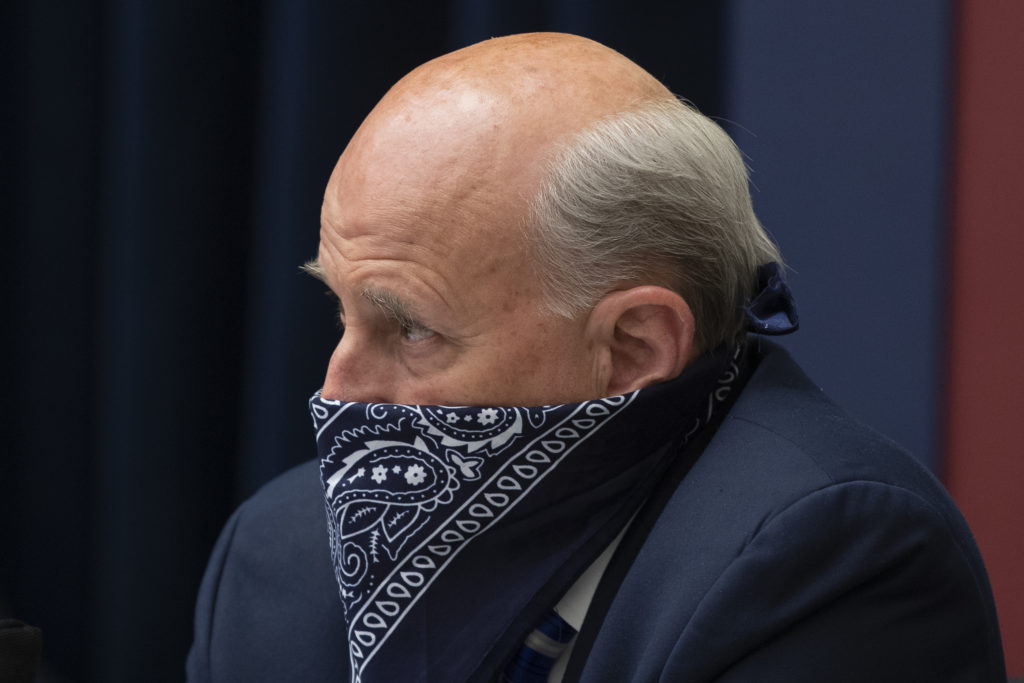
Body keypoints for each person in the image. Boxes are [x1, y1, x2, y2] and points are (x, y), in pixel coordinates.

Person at [187, 33, 1005, 682]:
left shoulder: (827, 562)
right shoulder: (284, 550)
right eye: (342, 312)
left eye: (412, 331)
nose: (338, 390)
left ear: (634, 345)